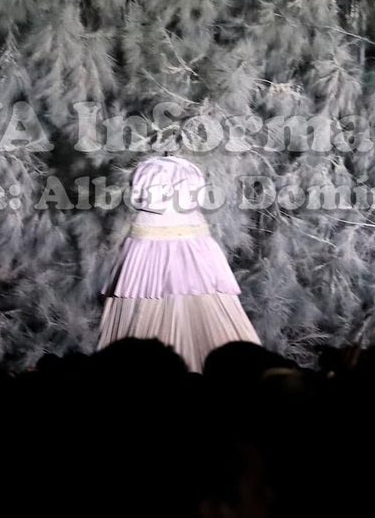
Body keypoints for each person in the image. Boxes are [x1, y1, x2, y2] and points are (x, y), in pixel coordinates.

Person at [96, 155, 260, 371]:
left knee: (152, 301)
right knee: (162, 301)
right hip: (177, 234)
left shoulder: (156, 173)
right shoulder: (183, 173)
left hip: (166, 236)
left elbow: (139, 197)